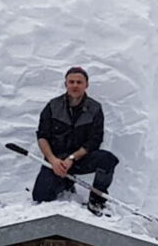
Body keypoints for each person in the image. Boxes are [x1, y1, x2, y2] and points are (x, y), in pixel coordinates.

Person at [32, 66, 119, 216]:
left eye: (79, 82)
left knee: (107, 160)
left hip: (80, 159)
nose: (75, 85)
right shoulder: (53, 106)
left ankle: (97, 200)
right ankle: (64, 183)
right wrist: (53, 160)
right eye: (71, 82)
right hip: (56, 161)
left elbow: (94, 140)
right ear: (66, 84)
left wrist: (72, 158)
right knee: (40, 196)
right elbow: (42, 136)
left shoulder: (95, 109)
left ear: (86, 85)